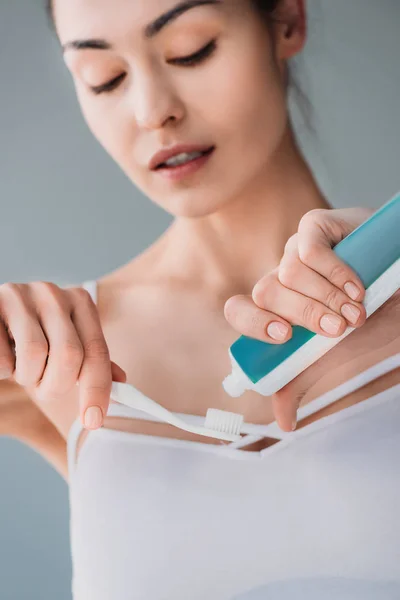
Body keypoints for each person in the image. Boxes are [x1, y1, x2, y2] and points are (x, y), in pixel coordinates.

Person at [0, 0, 399, 598]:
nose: (153, 110)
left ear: (287, 20)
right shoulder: (58, 363)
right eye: (103, 78)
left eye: (191, 49)